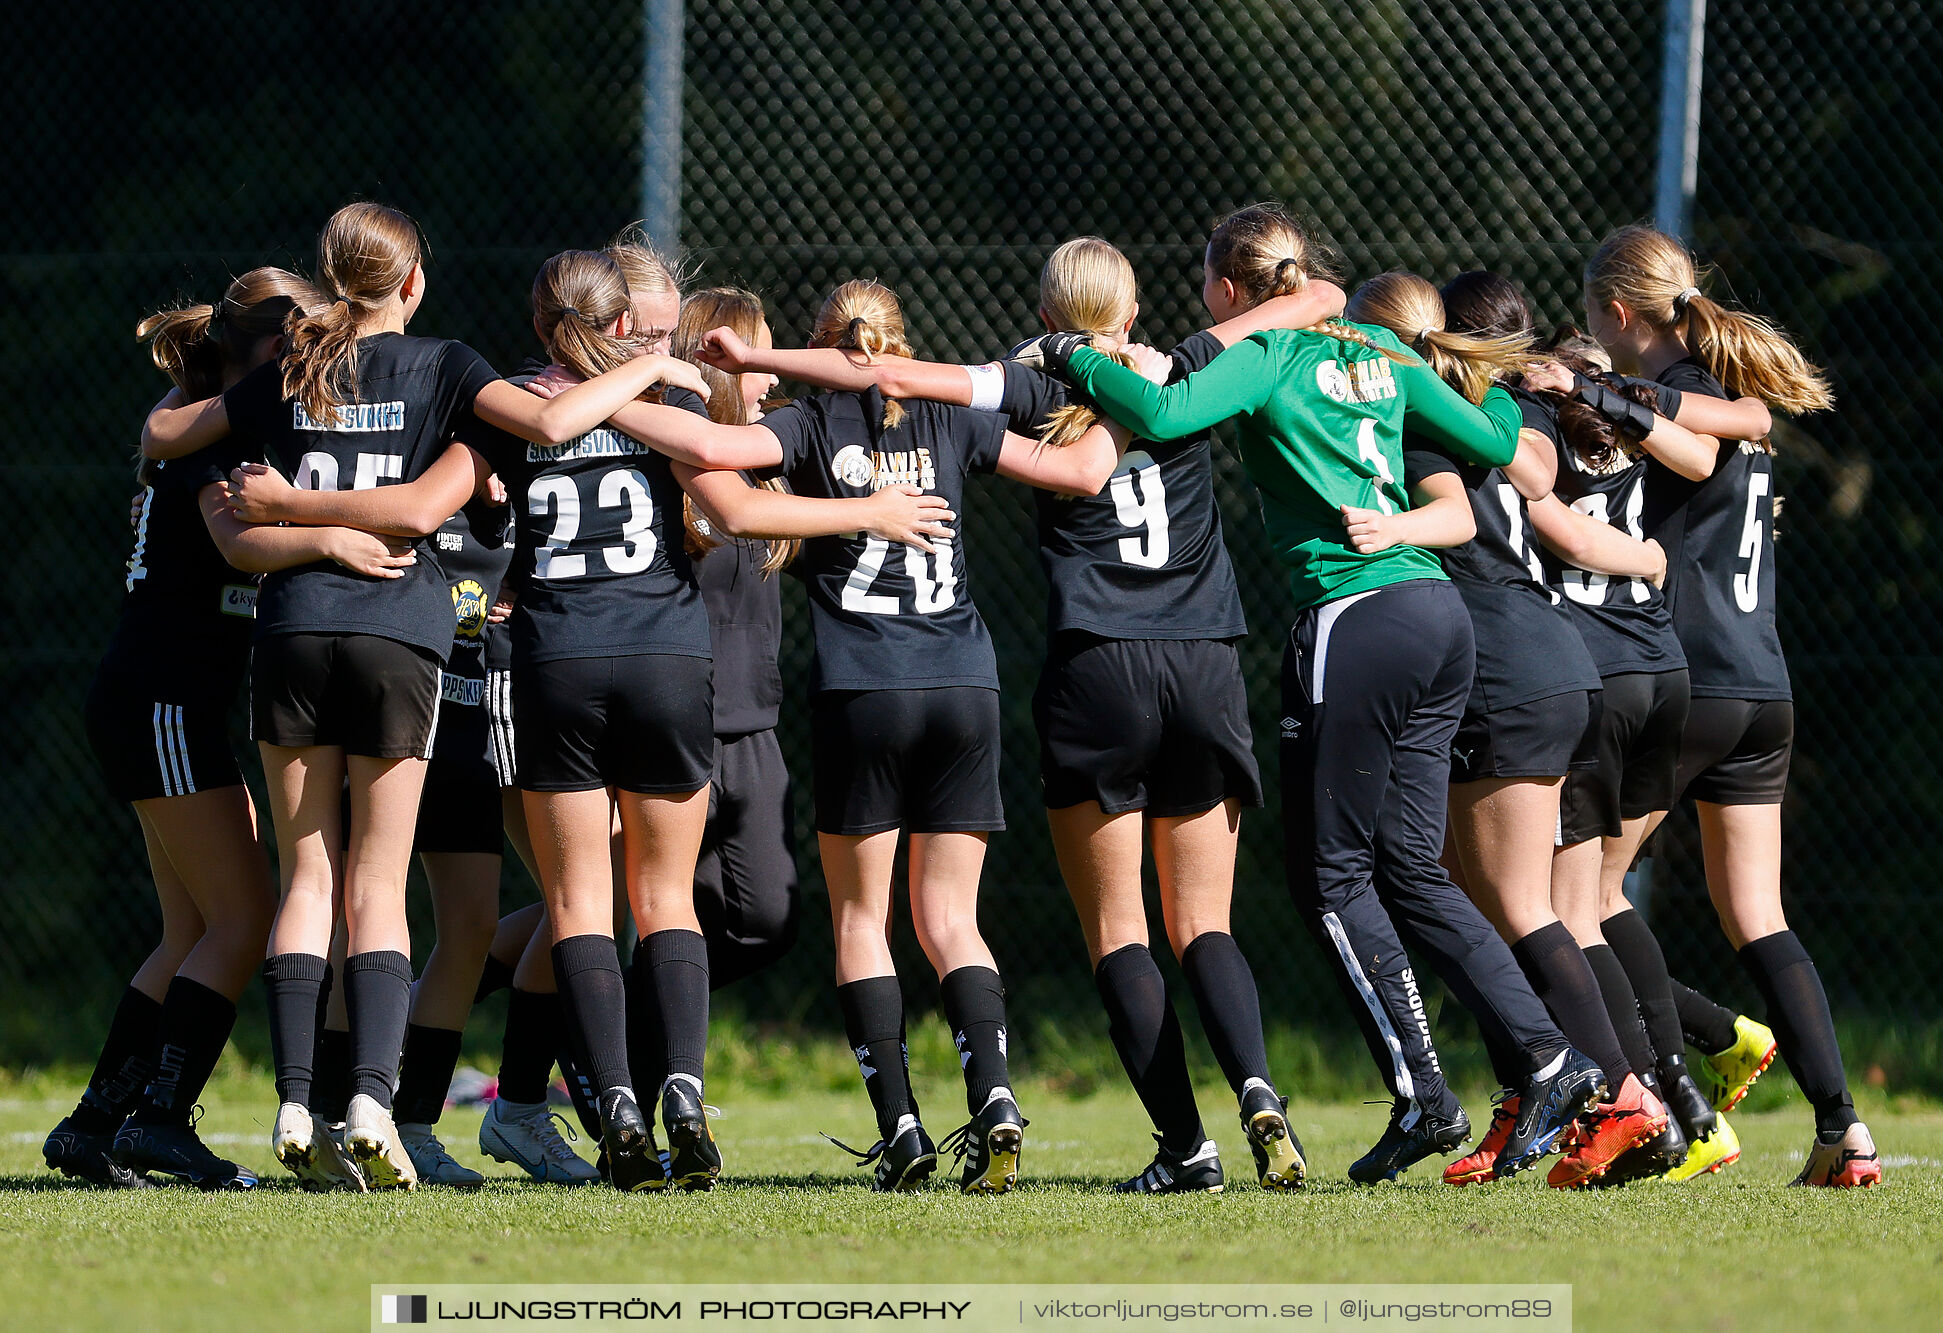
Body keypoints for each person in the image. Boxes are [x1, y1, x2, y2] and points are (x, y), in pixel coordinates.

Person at [696, 237, 1345, 1192]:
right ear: (1130, 313)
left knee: (1100, 924)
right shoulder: (1190, 369)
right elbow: (1310, 302)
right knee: (1200, 919)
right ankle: (1254, 1090)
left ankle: (1169, 1145)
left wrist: (750, 365)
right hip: (1184, 662)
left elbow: (882, 399)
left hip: (1045, 672)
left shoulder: (1015, 383)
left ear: (1045, 318)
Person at [1017, 203, 1607, 1185]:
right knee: (1412, 871)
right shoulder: (1375, 346)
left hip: (1352, 618)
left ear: (1225, 291)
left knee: (1329, 879)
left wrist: (1068, 356)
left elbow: (1161, 416)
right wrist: (1506, 394)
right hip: (1437, 616)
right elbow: (1496, 445)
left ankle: (1431, 1092)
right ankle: (1549, 1060)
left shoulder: (1270, 356)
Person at [156, 203, 713, 1190]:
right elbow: (484, 465)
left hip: (336, 645)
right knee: (387, 888)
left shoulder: (305, 367)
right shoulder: (457, 373)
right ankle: (378, 1102)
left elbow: (166, 433)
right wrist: (656, 369)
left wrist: (294, 506)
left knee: (333, 886)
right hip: (412, 655)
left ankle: (311, 1104)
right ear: (413, 284)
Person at [607, 278, 1134, 1193]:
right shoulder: (955, 417)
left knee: (864, 919)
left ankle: (900, 1127)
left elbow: (713, 451)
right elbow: (1078, 471)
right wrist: (1145, 400)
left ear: (819, 347)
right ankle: (996, 1098)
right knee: (950, 919)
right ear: (901, 341)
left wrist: (603, 394)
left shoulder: (810, 426)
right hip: (966, 685)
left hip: (864, 691)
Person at [47, 268, 389, 1192]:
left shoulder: (207, 414)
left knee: (192, 926)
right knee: (241, 922)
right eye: (303, 335)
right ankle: (157, 1119)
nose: (318, 351)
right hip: (161, 702)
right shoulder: (212, 430)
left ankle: (91, 1126)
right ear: (269, 345)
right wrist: (336, 536)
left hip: (156, 702)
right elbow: (241, 544)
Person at [1335, 271, 1676, 1188]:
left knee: (1515, 906)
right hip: (1546, 660)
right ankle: (1537, 1096)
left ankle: (1621, 1095)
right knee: (1474, 903)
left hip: (1503, 665)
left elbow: (1528, 474)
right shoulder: (1483, 401)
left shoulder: (1435, 408)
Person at [1580, 225, 1879, 1188]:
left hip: (1691, 679)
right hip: (1763, 686)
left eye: (1593, 318)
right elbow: (1732, 432)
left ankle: (1671, 1105)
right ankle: (1841, 1127)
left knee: (1576, 899)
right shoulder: (1709, 399)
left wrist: (1585, 392)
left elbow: (1694, 455)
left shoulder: (1680, 406)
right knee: (1755, 913)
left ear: (1618, 315)